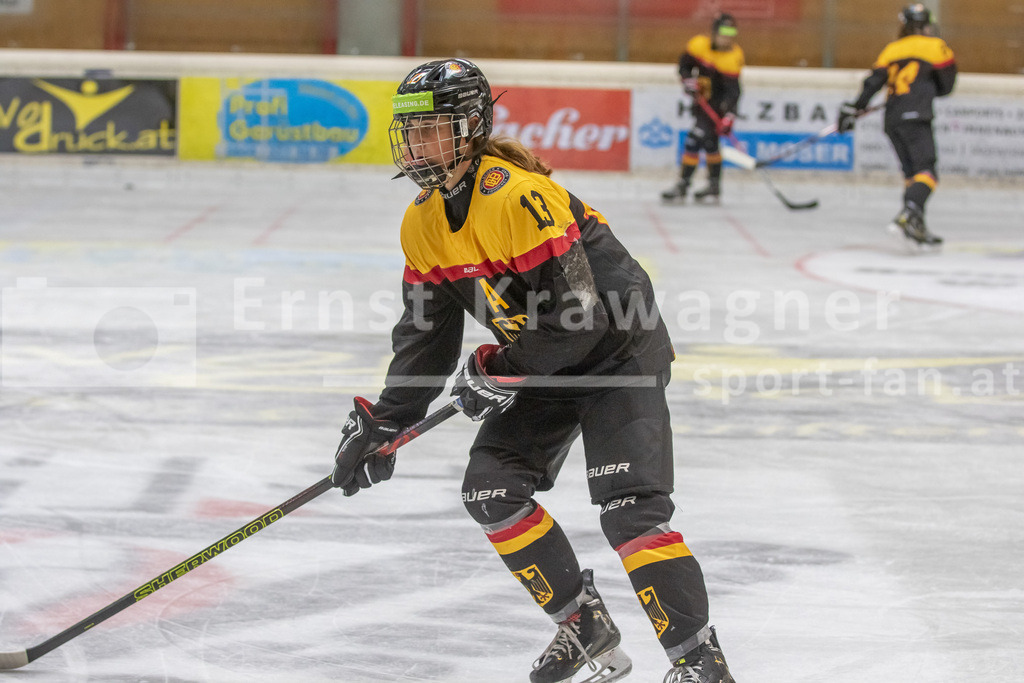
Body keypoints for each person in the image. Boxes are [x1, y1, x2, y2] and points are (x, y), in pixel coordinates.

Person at [329, 58, 736, 683]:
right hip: (541, 362)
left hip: (617, 357)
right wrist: (386, 422)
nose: (416, 144)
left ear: (470, 128)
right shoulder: (422, 223)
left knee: (629, 511)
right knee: (490, 492)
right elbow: (423, 339)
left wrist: (501, 367)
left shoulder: (520, 196)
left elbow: (582, 315)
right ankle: (584, 629)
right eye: (410, 130)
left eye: (432, 128)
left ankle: (698, 663)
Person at [837, 3, 956, 251]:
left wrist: (854, 108)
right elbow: (947, 85)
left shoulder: (892, 49)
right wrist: (929, 86)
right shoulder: (936, 46)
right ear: (927, 24)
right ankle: (909, 213)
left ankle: (915, 224)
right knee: (928, 171)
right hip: (917, 117)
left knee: (911, 174)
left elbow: (872, 83)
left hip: (893, 120)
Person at [662, 12, 744, 204]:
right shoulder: (699, 45)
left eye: (731, 33)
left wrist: (729, 115)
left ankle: (683, 185)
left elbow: (734, 92)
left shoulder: (734, 56)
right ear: (714, 32)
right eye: (724, 32)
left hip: (717, 107)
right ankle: (714, 186)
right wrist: (688, 80)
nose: (727, 38)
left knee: (693, 141)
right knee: (710, 144)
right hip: (702, 102)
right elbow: (684, 65)